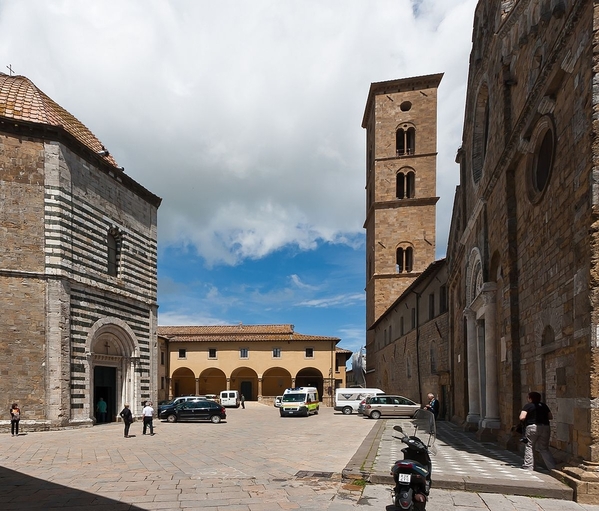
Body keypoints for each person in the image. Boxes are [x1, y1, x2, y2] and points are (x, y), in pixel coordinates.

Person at [519, 391, 556, 471]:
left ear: (530, 398)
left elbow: (522, 417)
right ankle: (552, 467)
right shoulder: (544, 406)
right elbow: (550, 416)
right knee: (544, 448)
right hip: (545, 427)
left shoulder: (528, 406)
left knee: (529, 446)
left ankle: (529, 466)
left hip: (532, 427)